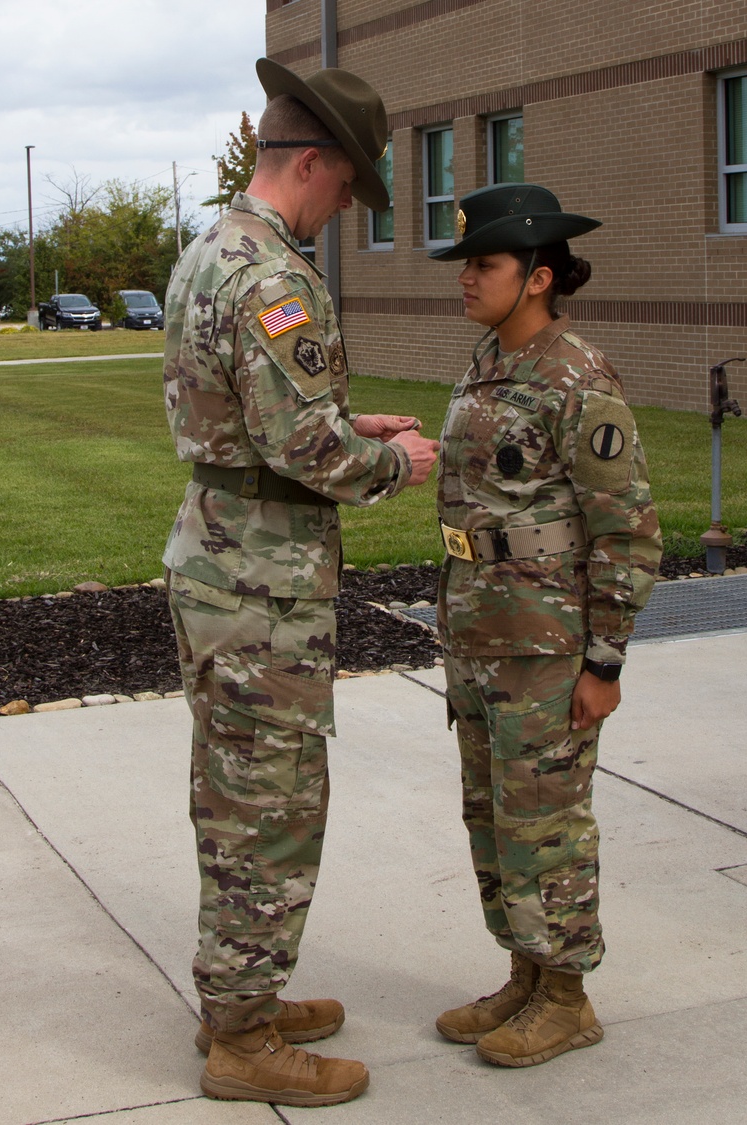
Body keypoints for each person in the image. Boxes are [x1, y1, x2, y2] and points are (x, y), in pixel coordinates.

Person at [162, 59, 439, 1107]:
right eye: (345, 187)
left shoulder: (210, 250)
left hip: (221, 553)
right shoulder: (273, 273)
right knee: (269, 807)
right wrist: (391, 463)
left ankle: (241, 998)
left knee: (233, 793)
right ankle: (242, 1039)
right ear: (311, 162)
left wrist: (339, 424)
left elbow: (251, 417)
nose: (342, 209)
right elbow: (303, 449)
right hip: (260, 584)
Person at [428, 184, 662, 1068]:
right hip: (482, 639)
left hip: (548, 650)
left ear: (538, 276)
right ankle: (526, 973)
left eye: (483, 265)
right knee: (493, 818)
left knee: (548, 824)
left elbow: (629, 531)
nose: (467, 280)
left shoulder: (578, 377)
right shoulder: (486, 363)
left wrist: (604, 661)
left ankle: (567, 996)